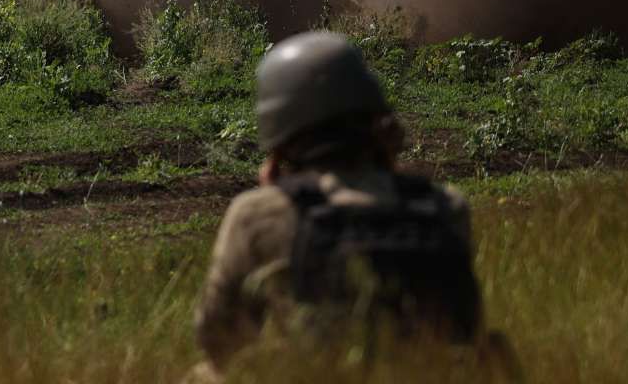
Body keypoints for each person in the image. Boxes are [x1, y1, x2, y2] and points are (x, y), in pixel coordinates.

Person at [190, 31, 493, 381]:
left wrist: (274, 197)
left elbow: (217, 339)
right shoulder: (444, 206)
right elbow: (467, 327)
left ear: (280, 135)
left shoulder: (256, 215)